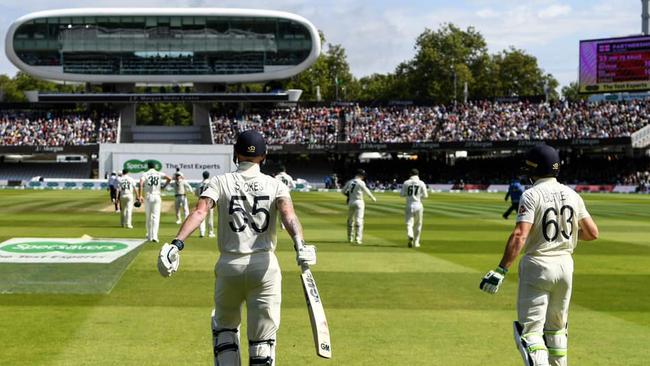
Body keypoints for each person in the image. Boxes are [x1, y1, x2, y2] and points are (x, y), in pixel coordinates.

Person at [156, 130, 316, 366]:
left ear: (235, 154)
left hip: (229, 266)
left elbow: (200, 212)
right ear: (264, 156)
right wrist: (299, 243)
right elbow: (288, 215)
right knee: (262, 344)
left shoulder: (219, 181)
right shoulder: (276, 185)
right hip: (264, 268)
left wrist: (176, 244)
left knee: (225, 333)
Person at [479, 144, 599, 366]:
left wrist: (501, 270)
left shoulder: (531, 194)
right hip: (565, 266)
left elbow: (519, 236)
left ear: (533, 169)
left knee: (530, 333)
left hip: (538, 265)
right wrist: (565, 237)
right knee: (556, 330)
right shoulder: (572, 194)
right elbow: (592, 233)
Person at [138, 162, 172, 243]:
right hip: (157, 196)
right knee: (156, 217)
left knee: (148, 217)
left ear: (148, 167)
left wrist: (140, 196)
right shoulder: (159, 173)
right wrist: (164, 186)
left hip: (148, 196)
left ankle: (149, 236)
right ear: (154, 167)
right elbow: (169, 178)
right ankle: (155, 236)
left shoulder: (145, 174)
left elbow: (140, 184)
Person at [342, 169, 377, 244]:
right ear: (361, 175)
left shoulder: (350, 181)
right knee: (359, 220)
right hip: (359, 201)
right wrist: (372, 198)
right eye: (363, 175)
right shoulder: (361, 182)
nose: (364, 177)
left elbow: (343, 191)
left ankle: (350, 238)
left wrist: (349, 196)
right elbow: (366, 190)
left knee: (350, 220)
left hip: (351, 201)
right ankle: (358, 239)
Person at [400, 168, 428, 248]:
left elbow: (402, 195)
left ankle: (410, 234)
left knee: (409, 223)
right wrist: (418, 196)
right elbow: (426, 196)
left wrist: (409, 195)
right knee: (418, 224)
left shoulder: (406, 182)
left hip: (409, 204)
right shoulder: (421, 183)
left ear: (410, 174)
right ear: (418, 174)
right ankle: (416, 242)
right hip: (418, 204)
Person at [195, 170, 215, 238]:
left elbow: (196, 193)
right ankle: (210, 233)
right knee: (210, 218)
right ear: (208, 175)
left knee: (201, 218)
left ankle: (202, 233)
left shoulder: (200, 184)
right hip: (209, 201)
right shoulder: (211, 183)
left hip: (201, 201)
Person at [274, 166, 295, 230]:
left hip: (277, 195)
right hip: (286, 195)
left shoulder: (276, 177)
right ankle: (286, 224)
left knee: (277, 211)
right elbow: (294, 186)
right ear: (285, 170)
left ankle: (281, 225)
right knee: (287, 211)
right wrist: (288, 190)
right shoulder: (288, 177)